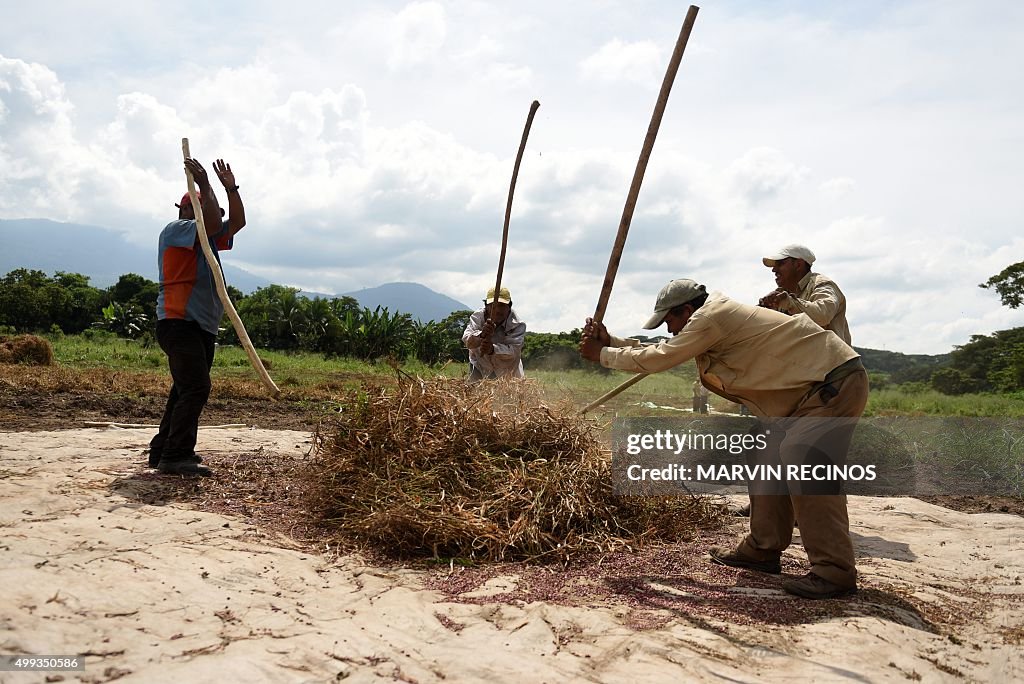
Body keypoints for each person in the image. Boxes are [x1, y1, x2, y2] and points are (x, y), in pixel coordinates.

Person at [579, 278, 868, 600]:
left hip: (830, 384)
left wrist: (603, 354)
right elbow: (664, 348)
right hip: (801, 397)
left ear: (687, 310)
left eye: (670, 320)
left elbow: (661, 356)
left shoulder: (712, 316)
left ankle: (834, 572)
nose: (670, 329)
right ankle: (763, 548)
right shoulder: (708, 322)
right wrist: (612, 343)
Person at [148, 158, 246, 476]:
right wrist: (205, 185)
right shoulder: (177, 230)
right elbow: (215, 226)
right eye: (210, 211)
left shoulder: (208, 241)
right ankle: (175, 456)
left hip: (201, 326)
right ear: (189, 211)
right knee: (196, 388)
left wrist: (230, 188)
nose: (218, 218)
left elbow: (238, 223)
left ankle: (164, 449)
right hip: (179, 322)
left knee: (184, 389)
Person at [759, 244, 851, 345]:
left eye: (781, 264)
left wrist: (789, 303)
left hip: (834, 360)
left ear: (798, 265)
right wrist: (763, 309)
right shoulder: (782, 294)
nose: (774, 270)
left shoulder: (822, 284)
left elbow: (823, 315)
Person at [462, 286, 526, 381]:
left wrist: (493, 349)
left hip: (506, 370)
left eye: (502, 306)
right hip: (480, 366)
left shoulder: (517, 324)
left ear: (509, 307)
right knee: (474, 393)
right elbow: (467, 341)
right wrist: (481, 334)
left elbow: (514, 350)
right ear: (487, 306)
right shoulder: (478, 317)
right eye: (493, 306)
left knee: (508, 394)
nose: (498, 310)